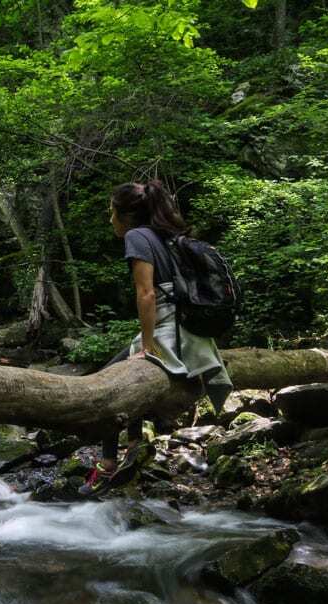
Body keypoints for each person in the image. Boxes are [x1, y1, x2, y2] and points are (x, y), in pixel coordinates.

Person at [80, 180, 233, 496]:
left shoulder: (137, 237)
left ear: (126, 215)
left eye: (112, 213)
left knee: (109, 381)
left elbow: (147, 293)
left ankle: (108, 463)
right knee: (123, 372)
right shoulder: (168, 237)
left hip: (167, 331)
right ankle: (135, 443)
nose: (110, 220)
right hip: (188, 329)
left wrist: (147, 347)